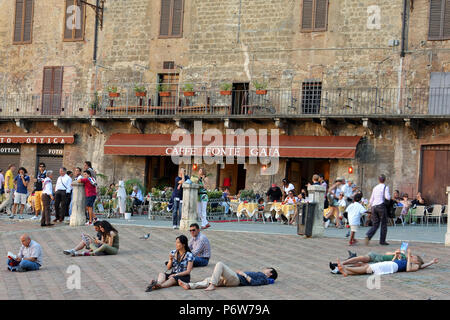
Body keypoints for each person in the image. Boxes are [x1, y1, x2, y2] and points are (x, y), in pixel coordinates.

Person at [336, 248, 439, 277]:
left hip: (391, 267)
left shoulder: (414, 265)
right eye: (412, 256)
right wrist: (432, 262)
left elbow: (408, 270)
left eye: (414, 257)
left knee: (367, 269)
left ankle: (344, 268)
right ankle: (346, 272)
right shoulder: (406, 260)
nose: (411, 257)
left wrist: (408, 256)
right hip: (390, 265)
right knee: (367, 268)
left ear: (417, 261)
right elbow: (393, 261)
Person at [178, 262, 277, 291]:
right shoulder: (262, 276)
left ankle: (212, 285)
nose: (266, 268)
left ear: (270, 273)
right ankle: (190, 285)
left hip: (237, 280)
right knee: (209, 279)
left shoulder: (264, 278)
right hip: (235, 279)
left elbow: (255, 283)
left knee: (220, 264)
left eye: (268, 269)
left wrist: (243, 274)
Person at [366, 174, 390, 246]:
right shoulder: (385, 187)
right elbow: (387, 197)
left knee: (375, 224)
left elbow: (371, 199)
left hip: (374, 207)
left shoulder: (375, 187)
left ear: (378, 180)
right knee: (383, 224)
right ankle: (382, 241)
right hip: (381, 206)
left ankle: (369, 235)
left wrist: (369, 206)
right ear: (384, 179)